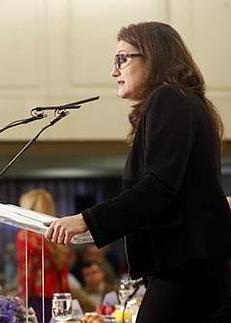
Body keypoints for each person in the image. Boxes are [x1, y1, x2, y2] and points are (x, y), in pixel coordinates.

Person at [46, 21, 231, 322]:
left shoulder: (170, 98)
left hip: (186, 270)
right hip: (192, 267)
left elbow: (157, 187)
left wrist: (86, 220)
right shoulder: (183, 102)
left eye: (122, 58)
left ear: (153, 56)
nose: (114, 71)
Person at [15, 189, 71, 321]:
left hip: (37, 299)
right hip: (60, 298)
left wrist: (20, 302)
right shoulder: (57, 234)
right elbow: (63, 275)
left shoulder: (26, 235)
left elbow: (26, 273)